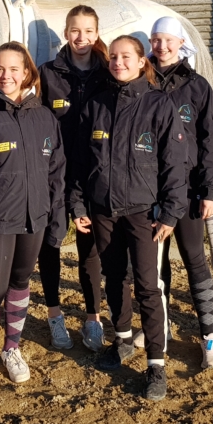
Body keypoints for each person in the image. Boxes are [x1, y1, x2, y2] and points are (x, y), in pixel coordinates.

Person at [69, 35, 187, 401]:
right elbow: (79, 162)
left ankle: (156, 363)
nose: (118, 62)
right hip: (103, 212)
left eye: (126, 57)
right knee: (114, 277)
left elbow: (174, 165)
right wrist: (78, 204)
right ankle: (121, 340)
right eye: (114, 57)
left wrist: (170, 212)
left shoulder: (159, 106)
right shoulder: (96, 105)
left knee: (149, 287)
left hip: (143, 215)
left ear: (141, 62)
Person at [0, 42, 66, 386]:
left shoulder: (45, 117)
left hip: (34, 219)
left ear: (27, 73)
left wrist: (56, 217)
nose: (5, 75)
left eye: (13, 69)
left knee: (20, 283)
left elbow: (57, 173)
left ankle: (11, 348)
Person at [147, 16, 213, 370]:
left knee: (195, 258)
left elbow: (211, 144)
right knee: (155, 264)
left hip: (190, 189)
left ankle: (208, 333)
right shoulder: (142, 82)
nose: (161, 47)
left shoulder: (197, 88)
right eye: (155, 40)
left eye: (167, 40)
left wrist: (210, 189)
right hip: (151, 190)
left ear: (181, 43)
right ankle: (159, 328)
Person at [36, 5, 110, 352]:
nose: (82, 38)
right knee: (50, 244)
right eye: (75, 30)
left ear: (97, 33)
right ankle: (54, 315)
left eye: (89, 31)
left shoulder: (108, 73)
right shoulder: (48, 74)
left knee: (89, 251)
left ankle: (93, 318)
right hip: (53, 175)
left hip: (93, 176)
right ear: (65, 33)